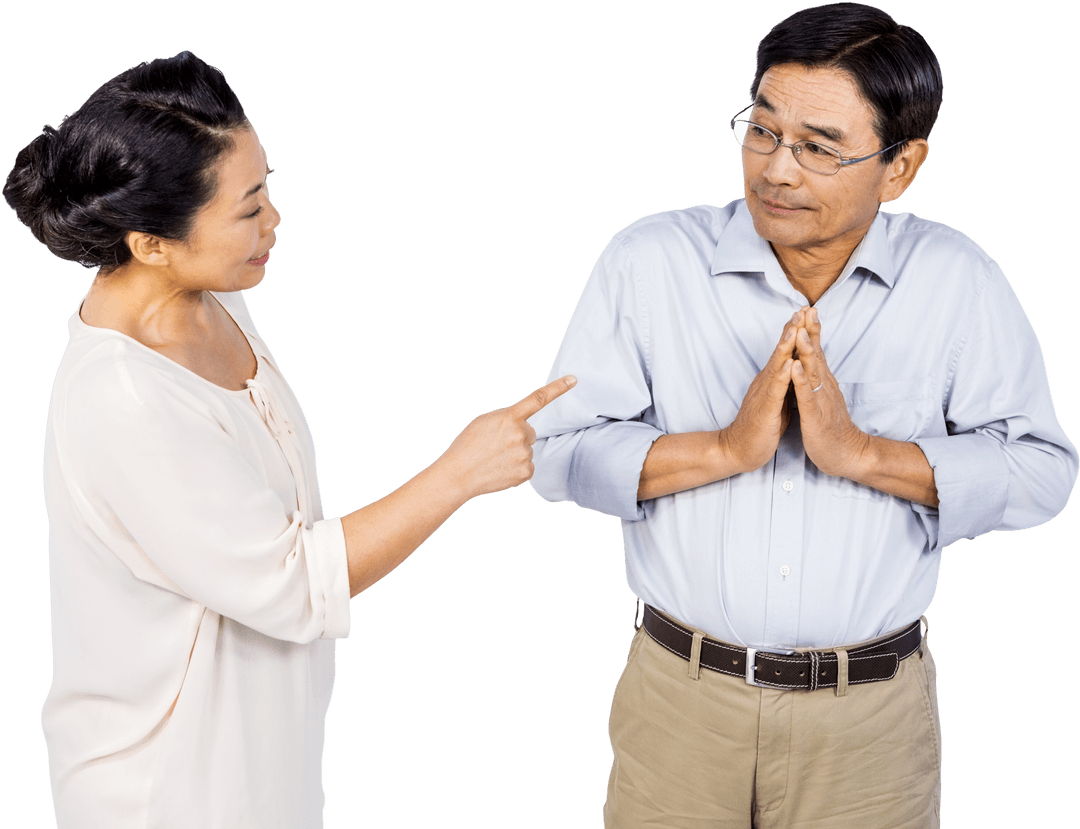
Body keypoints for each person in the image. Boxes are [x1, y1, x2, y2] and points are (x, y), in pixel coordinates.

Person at [527, 3, 1078, 827]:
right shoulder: (649, 261)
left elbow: (1044, 470)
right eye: (762, 131)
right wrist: (722, 447)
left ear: (901, 168)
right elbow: (551, 452)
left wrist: (862, 453)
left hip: (870, 725)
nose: (778, 170)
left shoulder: (957, 280)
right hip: (680, 703)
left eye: (819, 148)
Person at [3, 51, 574, 828]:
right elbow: (294, 584)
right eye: (246, 209)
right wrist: (458, 474)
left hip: (264, 776)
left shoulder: (213, 300)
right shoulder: (125, 398)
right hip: (167, 798)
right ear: (150, 243)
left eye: (267, 186)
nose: (274, 220)